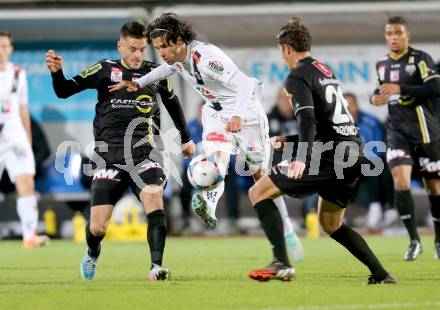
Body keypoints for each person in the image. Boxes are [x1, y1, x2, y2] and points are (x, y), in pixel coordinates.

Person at [109, 13, 303, 261]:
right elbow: (167, 68)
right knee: (215, 160)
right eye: (156, 49)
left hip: (246, 113)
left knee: (260, 178)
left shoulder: (207, 59)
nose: (161, 53)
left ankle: (287, 229)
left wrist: (240, 116)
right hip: (214, 113)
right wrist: (140, 82)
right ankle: (209, 200)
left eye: (164, 47)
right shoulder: (177, 58)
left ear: (179, 40)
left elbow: (245, 85)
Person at [247, 18, 395, 284]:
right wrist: (290, 141)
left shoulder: (296, 76)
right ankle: (382, 274)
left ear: (286, 48)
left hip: (330, 154)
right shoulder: (323, 69)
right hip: (353, 151)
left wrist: (302, 157)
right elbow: (329, 121)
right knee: (330, 224)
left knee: (258, 191)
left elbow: (308, 119)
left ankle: (281, 262)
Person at [45, 21, 195, 281]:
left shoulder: (156, 72)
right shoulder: (104, 69)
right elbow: (64, 91)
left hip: (144, 155)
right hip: (108, 157)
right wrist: (57, 73)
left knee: (153, 198)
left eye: (142, 49)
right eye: (133, 49)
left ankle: (156, 266)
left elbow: (172, 103)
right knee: (98, 226)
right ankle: (92, 251)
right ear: (121, 46)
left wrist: (186, 138)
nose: (138, 55)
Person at [371, 16, 440, 261]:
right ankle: (413, 240)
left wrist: (402, 90)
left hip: (425, 132)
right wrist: (374, 99)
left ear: (407, 36)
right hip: (397, 132)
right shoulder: (381, 64)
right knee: (400, 182)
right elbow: (379, 92)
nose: (393, 37)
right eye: (389, 33)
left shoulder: (421, 59)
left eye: (398, 33)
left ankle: (439, 239)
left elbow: (435, 88)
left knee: (435, 188)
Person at [0, 30, 49, 248]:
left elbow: (22, 108)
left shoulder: (18, 73)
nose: (1, 51)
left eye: (4, 46)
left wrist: (27, 139)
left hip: (14, 134)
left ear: (10, 49)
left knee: (26, 182)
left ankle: (29, 235)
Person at [344, 92, 396, 232]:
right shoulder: (335, 124)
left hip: (369, 160)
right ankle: (337, 212)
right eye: (346, 105)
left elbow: (379, 145)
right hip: (345, 164)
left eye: (352, 104)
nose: (349, 109)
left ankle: (377, 207)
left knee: (374, 164)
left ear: (357, 104)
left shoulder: (371, 121)